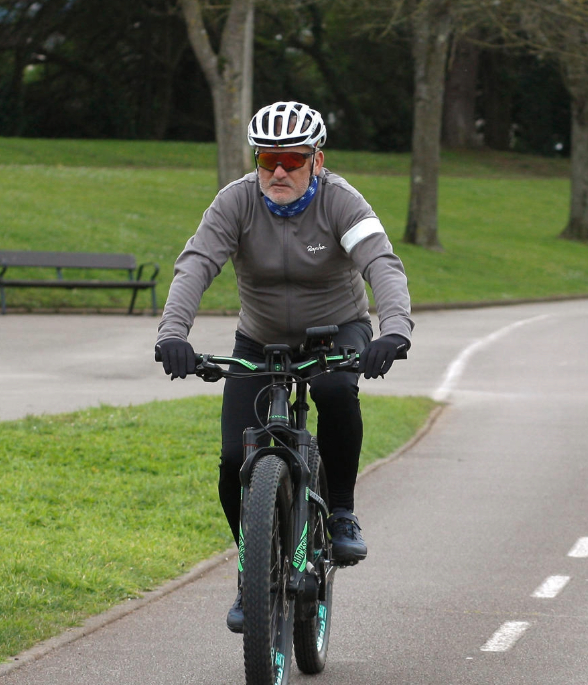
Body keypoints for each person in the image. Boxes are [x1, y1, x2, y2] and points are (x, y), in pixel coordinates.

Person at [154, 101, 414, 632]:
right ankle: (255, 570)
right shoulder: (236, 203)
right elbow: (197, 263)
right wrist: (172, 334)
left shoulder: (342, 202)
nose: (278, 172)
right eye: (268, 159)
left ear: (317, 161)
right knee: (233, 459)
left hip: (336, 332)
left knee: (337, 392)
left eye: (292, 161)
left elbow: (381, 264)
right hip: (261, 337)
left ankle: (340, 509)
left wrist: (394, 330)